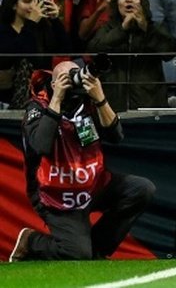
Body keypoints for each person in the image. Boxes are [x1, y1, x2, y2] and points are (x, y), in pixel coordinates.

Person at [8, 60, 155, 261]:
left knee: (142, 189)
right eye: (66, 80)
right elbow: (40, 145)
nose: (74, 85)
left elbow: (116, 136)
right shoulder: (37, 106)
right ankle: (31, 241)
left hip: (93, 185)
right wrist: (57, 100)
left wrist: (100, 98)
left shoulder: (87, 103)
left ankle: (97, 250)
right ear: (53, 83)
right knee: (76, 254)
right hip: (56, 194)